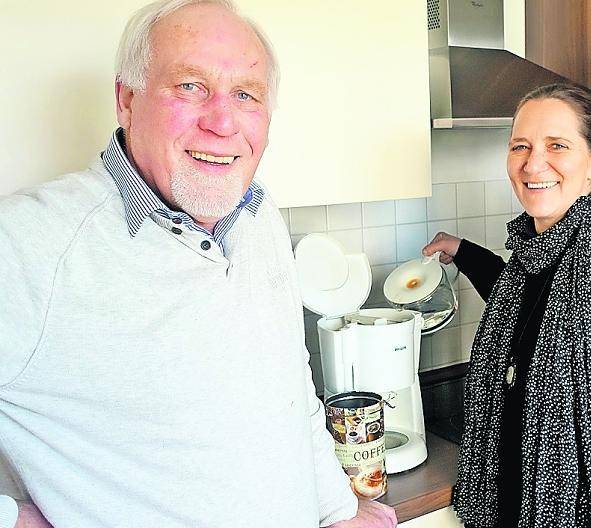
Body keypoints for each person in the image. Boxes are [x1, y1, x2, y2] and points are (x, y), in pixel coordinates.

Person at [0, 1, 396, 527]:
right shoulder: (32, 241)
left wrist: (338, 510)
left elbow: (289, 388)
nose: (222, 121)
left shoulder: (259, 217)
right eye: (190, 86)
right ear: (126, 100)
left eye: (245, 95)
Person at [423, 83, 591, 528]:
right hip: (512, 506)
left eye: (557, 146)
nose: (533, 163)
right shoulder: (536, 253)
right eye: (520, 146)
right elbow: (529, 312)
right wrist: (463, 252)